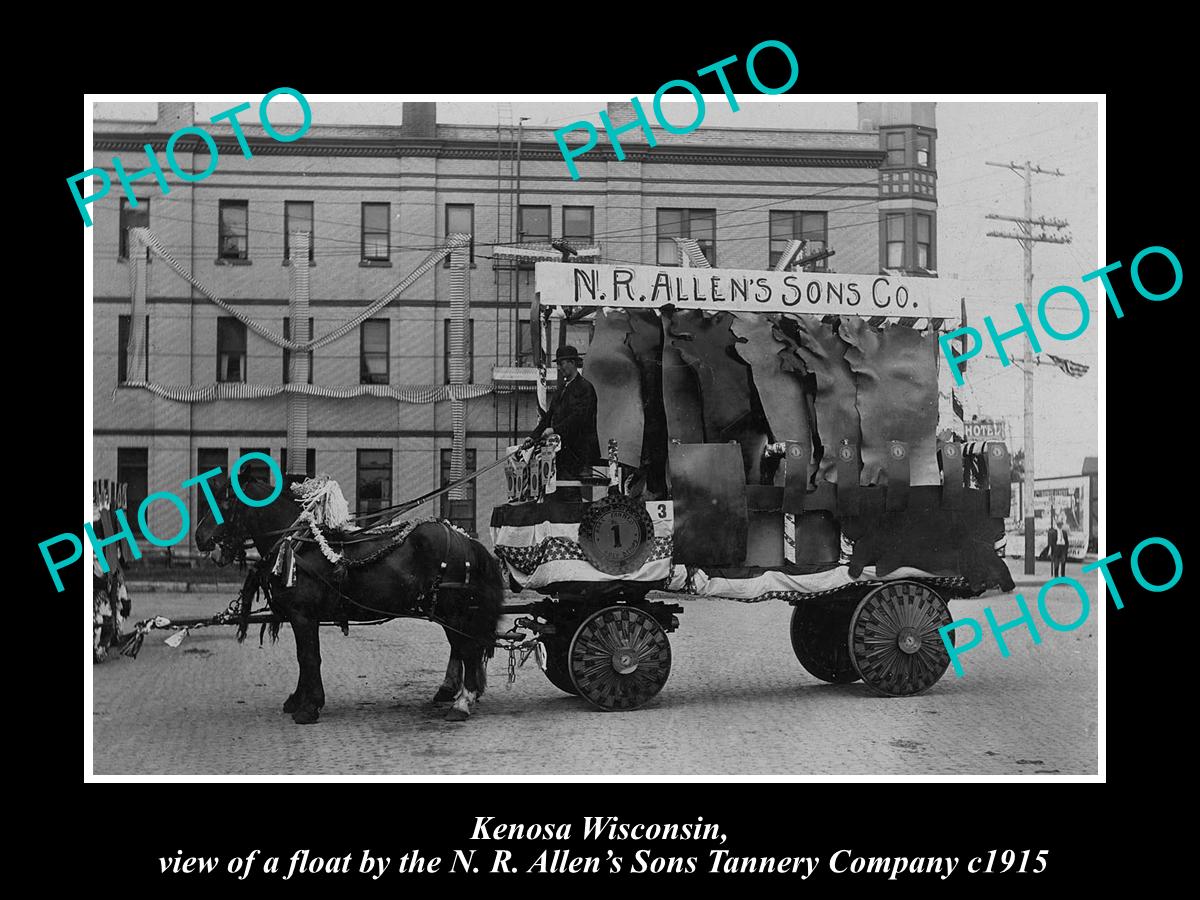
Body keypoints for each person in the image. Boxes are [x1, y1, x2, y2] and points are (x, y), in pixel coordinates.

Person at [522, 345, 600, 478]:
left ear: (573, 363)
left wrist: (554, 430)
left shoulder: (585, 388)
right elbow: (548, 417)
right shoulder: (561, 389)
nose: (559, 368)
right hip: (559, 452)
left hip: (578, 451)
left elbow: (579, 418)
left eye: (561, 363)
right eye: (558, 364)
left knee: (569, 490)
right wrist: (533, 436)